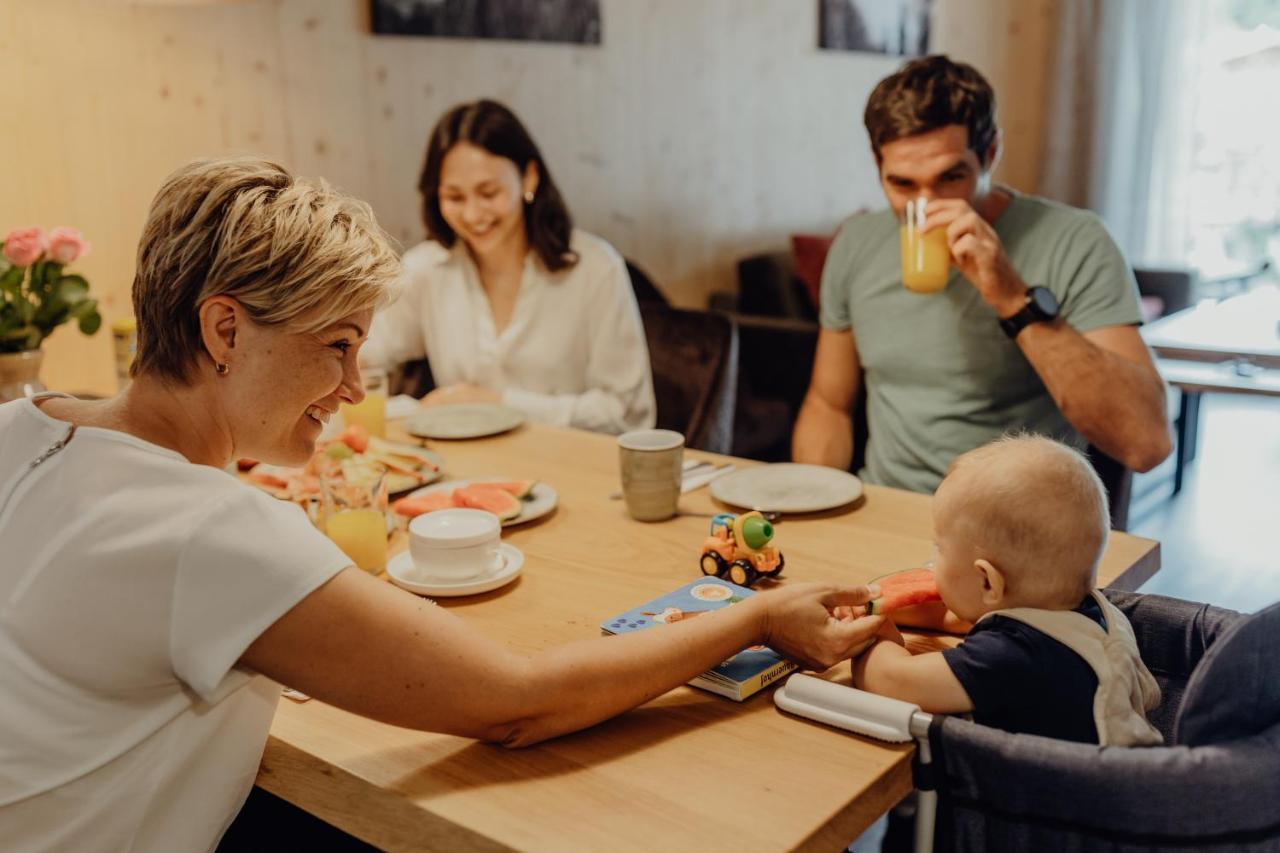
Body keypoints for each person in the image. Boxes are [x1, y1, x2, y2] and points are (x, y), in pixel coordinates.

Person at [0, 157, 884, 851]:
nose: (354, 385)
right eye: (338, 345)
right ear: (225, 329)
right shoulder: (211, 532)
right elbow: (520, 701)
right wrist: (757, 618)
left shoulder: (20, 421)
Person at [792, 55, 1172, 495]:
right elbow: (829, 405)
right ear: (878, 167)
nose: (927, 204)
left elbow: (1147, 443)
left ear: (990, 153)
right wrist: (813, 505)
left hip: (1020, 523)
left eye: (950, 177)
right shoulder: (856, 243)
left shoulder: (1076, 241)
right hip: (892, 509)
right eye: (903, 185)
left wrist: (1012, 296)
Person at [361, 99, 655, 435]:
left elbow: (625, 413)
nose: (472, 215)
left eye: (488, 193)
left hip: (572, 465)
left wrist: (497, 403)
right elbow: (369, 350)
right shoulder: (429, 268)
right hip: (464, 468)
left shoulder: (596, 269)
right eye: (455, 198)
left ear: (529, 178)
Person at [852, 435, 1162, 746]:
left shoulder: (1010, 657)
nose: (933, 561)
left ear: (987, 581)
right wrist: (882, 604)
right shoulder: (1083, 610)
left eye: (939, 549)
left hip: (1064, 793)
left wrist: (872, 635)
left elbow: (892, 682)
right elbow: (958, 617)